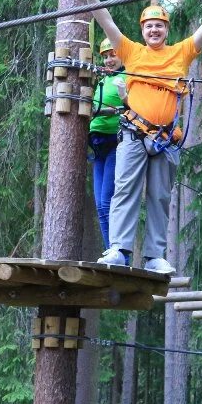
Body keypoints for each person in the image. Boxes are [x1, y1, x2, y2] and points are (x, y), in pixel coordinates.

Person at [73, 0, 202, 274]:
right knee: (125, 189)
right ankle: (119, 249)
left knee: (160, 196)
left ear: (166, 29)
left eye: (159, 26)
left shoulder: (180, 53)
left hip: (165, 138)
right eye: (149, 26)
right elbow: (108, 23)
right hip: (133, 133)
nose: (154, 30)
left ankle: (154, 255)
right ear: (143, 30)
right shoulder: (132, 52)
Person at [89, 37, 126, 250]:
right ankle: (110, 250)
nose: (109, 60)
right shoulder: (102, 80)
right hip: (98, 145)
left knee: (107, 201)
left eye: (113, 54)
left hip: (116, 142)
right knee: (100, 205)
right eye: (105, 56)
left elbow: (130, 105)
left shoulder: (127, 77)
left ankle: (118, 252)